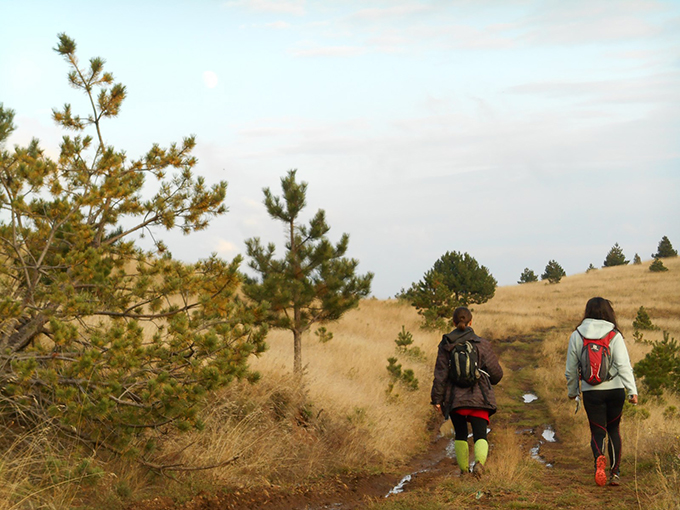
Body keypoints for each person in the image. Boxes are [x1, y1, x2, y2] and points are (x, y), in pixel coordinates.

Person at [566, 297, 638, 487]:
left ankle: (599, 459)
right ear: (608, 312)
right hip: (615, 390)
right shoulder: (614, 334)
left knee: (597, 431)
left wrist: (573, 391)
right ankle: (615, 473)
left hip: (591, 392)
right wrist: (632, 391)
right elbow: (624, 365)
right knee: (614, 429)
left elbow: (571, 368)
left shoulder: (578, 335)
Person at [431, 307, 503, 477]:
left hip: (455, 400)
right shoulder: (482, 344)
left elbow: (440, 375)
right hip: (479, 398)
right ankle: (479, 464)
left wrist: (437, 399)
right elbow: (497, 374)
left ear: (453, 323)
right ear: (471, 322)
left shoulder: (446, 345)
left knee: (461, 434)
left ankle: (464, 471)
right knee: (480, 434)